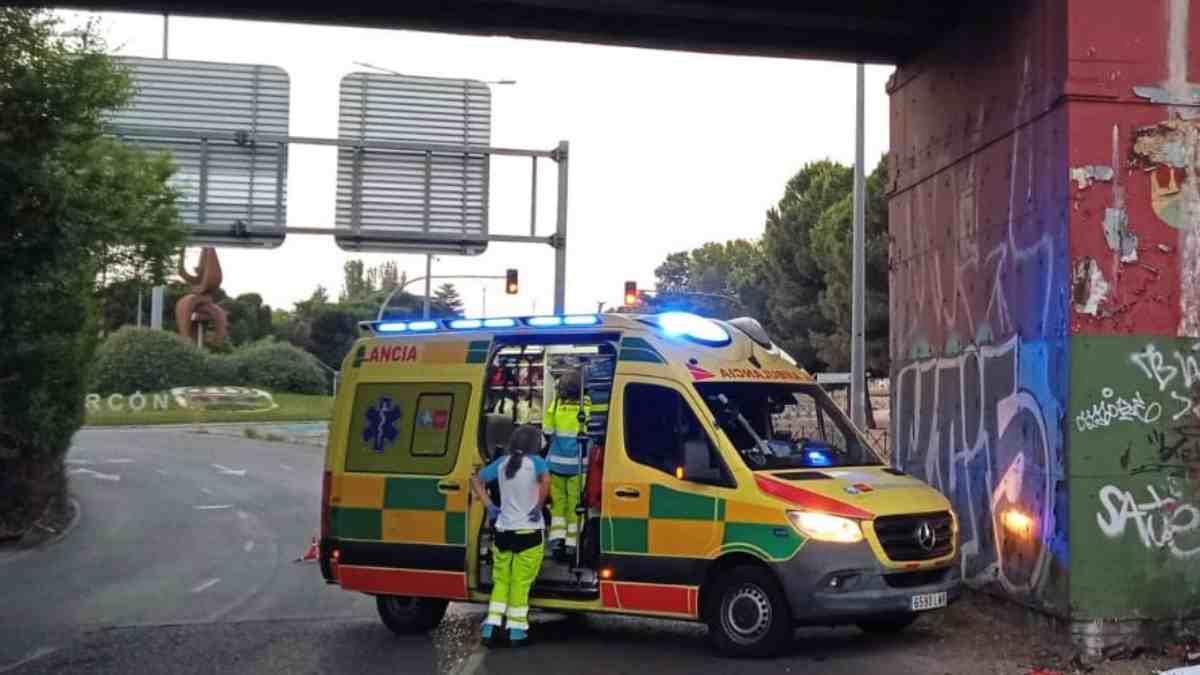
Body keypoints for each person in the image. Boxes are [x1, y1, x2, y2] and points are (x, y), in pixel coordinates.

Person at [471, 425, 549, 647]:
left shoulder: (502, 463)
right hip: (529, 533)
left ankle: (491, 626)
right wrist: (538, 506)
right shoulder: (537, 463)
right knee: (520, 583)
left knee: (501, 581)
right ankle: (516, 631)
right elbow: (546, 481)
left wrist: (490, 506)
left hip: (503, 531)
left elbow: (476, 480)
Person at [541, 370, 591, 561]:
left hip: (556, 464)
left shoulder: (555, 405)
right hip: (578, 465)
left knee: (558, 505)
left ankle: (557, 542)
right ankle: (573, 544)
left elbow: (547, 430)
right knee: (575, 505)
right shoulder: (586, 405)